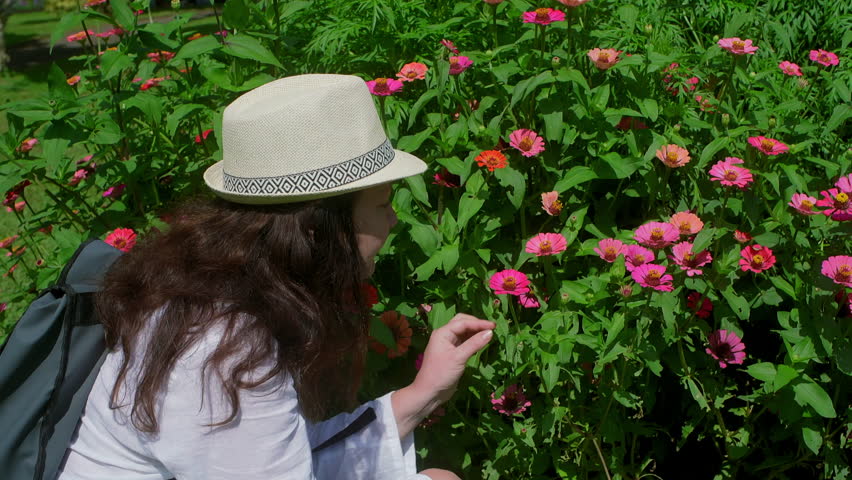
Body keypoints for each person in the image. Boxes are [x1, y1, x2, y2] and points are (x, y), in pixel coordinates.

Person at [56, 74, 495, 480]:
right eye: (382, 205)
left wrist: (423, 393)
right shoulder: (222, 348)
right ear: (316, 229)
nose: (394, 221)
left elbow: (277, 452)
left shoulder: (216, 294)